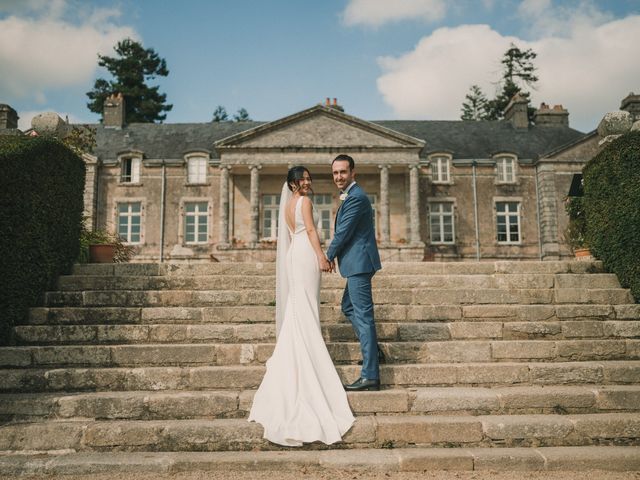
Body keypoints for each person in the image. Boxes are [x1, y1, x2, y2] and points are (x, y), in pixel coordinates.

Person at [248, 166, 355, 447]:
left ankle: (296, 354)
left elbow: (296, 231)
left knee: (299, 307)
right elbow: (309, 229)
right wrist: (323, 256)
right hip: (306, 254)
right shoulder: (305, 202)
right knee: (306, 307)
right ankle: (309, 361)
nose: (308, 182)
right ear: (293, 183)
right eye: (303, 179)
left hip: (293, 255)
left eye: (309, 178)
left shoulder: (287, 204)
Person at [326, 154, 383, 392]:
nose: (339, 176)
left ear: (352, 173)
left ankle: (370, 375)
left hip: (359, 263)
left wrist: (327, 255)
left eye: (343, 172)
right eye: (336, 173)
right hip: (357, 262)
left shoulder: (356, 197)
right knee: (348, 308)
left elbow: (343, 232)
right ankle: (376, 353)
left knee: (363, 315)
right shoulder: (351, 196)